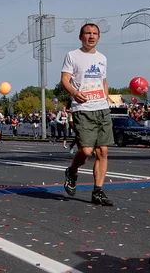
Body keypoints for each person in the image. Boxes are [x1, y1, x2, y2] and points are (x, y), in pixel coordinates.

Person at [61, 23, 114, 206]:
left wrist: (105, 97)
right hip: (82, 109)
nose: (91, 37)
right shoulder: (72, 56)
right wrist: (74, 93)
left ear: (99, 37)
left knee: (103, 150)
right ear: (80, 36)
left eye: (95, 34)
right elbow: (65, 80)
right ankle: (72, 171)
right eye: (87, 33)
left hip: (101, 108)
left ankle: (98, 192)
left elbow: (103, 80)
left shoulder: (102, 58)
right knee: (86, 150)